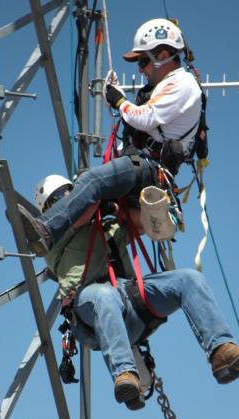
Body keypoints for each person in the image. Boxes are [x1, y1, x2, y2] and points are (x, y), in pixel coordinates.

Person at [33, 174, 239, 411]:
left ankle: (221, 351)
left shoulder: (104, 219)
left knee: (189, 278)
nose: (67, 199)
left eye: (69, 193)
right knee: (104, 295)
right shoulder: (50, 238)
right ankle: (125, 373)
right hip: (88, 305)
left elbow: (142, 223)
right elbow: (80, 215)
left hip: (128, 297)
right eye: (58, 199)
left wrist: (138, 191)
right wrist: (98, 191)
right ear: (49, 210)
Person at [18, 18, 204, 257]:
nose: (141, 69)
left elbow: (144, 118)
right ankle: (72, 246)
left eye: (144, 61)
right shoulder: (167, 86)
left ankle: (46, 231)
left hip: (148, 167)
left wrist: (119, 100)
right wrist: (120, 103)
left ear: (165, 54)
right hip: (145, 165)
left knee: (93, 181)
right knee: (91, 187)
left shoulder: (182, 83)